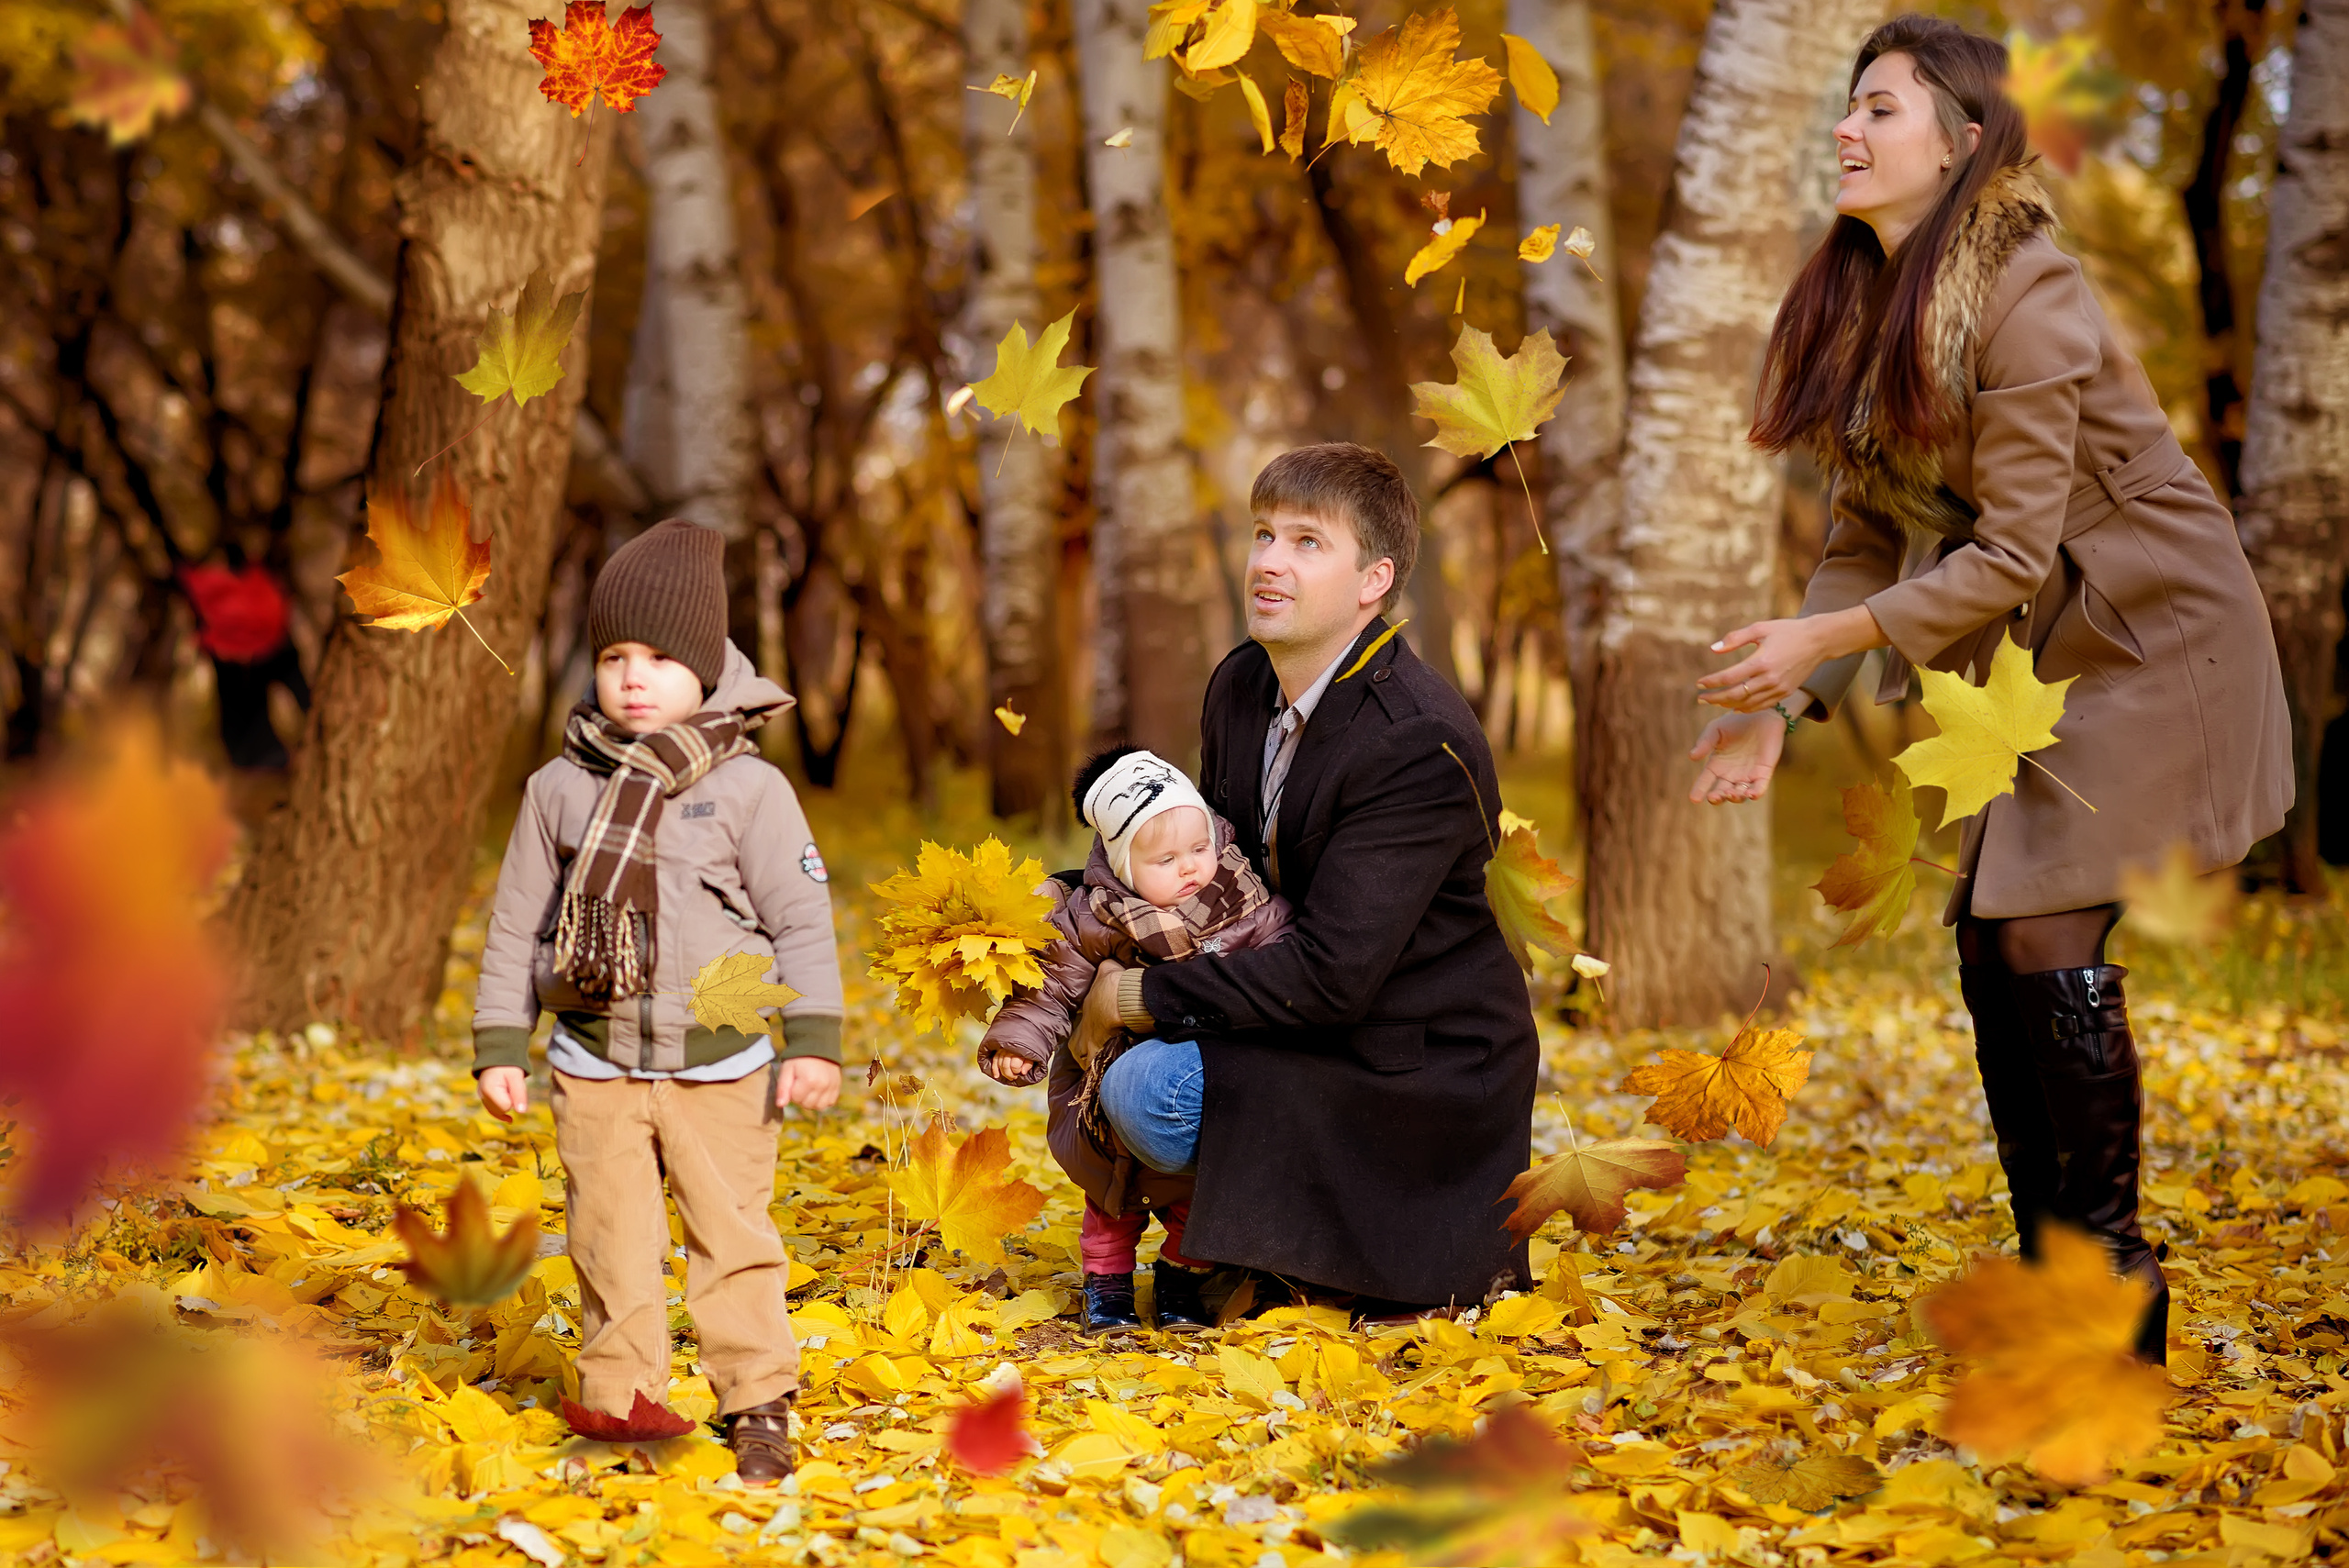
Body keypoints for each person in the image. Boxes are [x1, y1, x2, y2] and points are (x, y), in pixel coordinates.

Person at [1687, 16, 2291, 1364]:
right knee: (1985, 940)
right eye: (1849, 106)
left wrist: (1829, 636)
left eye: (1883, 109)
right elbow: (1864, 529)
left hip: (2153, 636)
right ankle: (2060, 1275)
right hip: (2039, 643)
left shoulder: (2030, 290)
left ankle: (2111, 1294)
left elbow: (2014, 545)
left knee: (2037, 937)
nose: (1849, 128)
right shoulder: (1867, 294)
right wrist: (1778, 703)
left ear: (1965, 145)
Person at [1068, 442, 1540, 1322]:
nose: (1269, 562)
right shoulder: (1241, 685)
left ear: (1374, 580)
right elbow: (1204, 873)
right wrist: (1071, 916)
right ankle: (1227, 1240)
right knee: (1071, 1000)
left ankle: (1284, 1247)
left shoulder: (1415, 739)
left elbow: (1333, 973)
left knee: (1148, 1089)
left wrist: (1135, 992)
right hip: (1302, 1007)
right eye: (1262, 534)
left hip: (1414, 1055)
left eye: (1307, 542)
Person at [470, 518, 846, 1481]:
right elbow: (517, 921)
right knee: (610, 1244)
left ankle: (757, 1397)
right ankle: (624, 1402)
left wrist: (812, 1042)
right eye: (613, 656)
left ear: (710, 669)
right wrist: (501, 1041)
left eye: (661, 657)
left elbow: (801, 919)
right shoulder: (557, 789)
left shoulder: (751, 790)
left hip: (722, 1063)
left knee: (734, 1239)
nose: (634, 677)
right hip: (593, 1062)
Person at [974, 747, 1292, 1336]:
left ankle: (1180, 1275)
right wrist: (1019, 1044)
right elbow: (1047, 989)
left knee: (1197, 1193)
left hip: (1205, 1070)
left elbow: (1285, 958)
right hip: (1105, 1082)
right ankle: (1107, 1283)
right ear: (1121, 866)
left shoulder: (1244, 902)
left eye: (1200, 848)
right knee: (1112, 1201)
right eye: (1165, 859)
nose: (1191, 868)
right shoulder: (1091, 920)